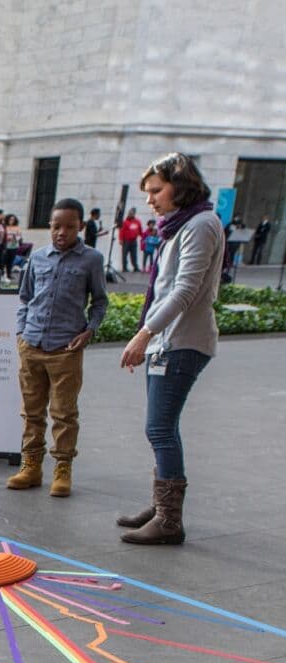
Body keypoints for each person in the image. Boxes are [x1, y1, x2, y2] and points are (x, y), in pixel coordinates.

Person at [116, 152, 225, 546]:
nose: (150, 199)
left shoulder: (201, 224)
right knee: (163, 428)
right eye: (147, 192)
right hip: (168, 340)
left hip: (182, 341)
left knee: (159, 428)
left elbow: (185, 290)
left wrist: (144, 334)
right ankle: (161, 507)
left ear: (180, 186)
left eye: (156, 190)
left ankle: (169, 519)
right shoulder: (179, 226)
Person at [7, 198, 108, 498]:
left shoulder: (91, 260)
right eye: (56, 226)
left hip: (66, 347)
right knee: (31, 412)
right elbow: (25, 298)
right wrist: (21, 333)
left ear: (80, 227)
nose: (61, 232)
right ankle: (31, 466)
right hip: (33, 343)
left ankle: (62, 468)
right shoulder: (37, 258)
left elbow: (100, 301)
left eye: (69, 227)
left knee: (64, 413)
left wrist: (89, 330)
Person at [118, 207, 144, 273]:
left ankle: (135, 267)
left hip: (134, 240)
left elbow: (140, 230)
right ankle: (124, 267)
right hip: (126, 240)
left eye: (132, 213)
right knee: (124, 254)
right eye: (129, 213)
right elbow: (121, 231)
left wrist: (143, 237)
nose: (130, 214)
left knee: (134, 254)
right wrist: (120, 239)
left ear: (134, 214)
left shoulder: (137, 221)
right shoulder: (125, 222)